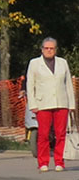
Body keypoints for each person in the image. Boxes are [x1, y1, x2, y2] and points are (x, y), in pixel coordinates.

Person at [26, 37, 75, 172]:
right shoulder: (34, 63)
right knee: (43, 134)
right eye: (46, 48)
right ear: (42, 49)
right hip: (43, 103)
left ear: (55, 49)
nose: (49, 51)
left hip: (61, 102)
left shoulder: (63, 63)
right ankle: (43, 162)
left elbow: (68, 84)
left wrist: (71, 105)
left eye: (51, 48)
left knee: (60, 134)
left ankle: (59, 161)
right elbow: (30, 85)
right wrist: (33, 104)